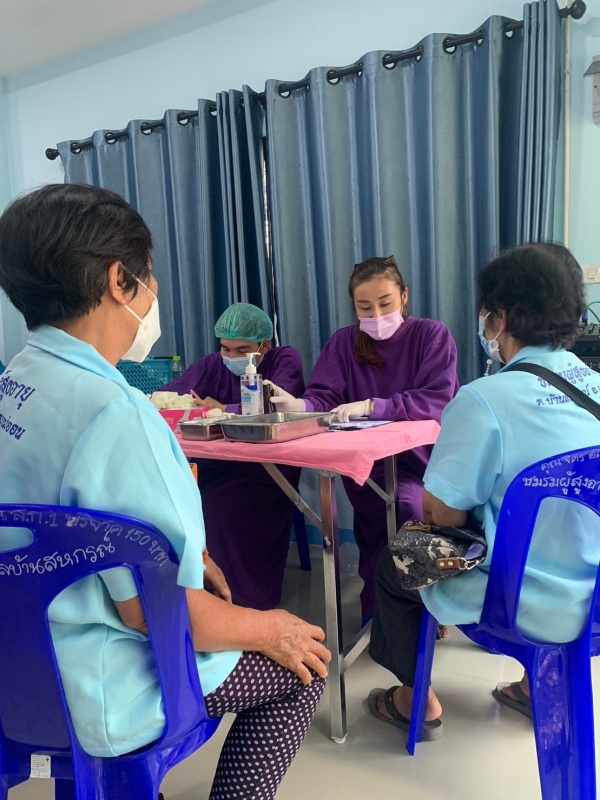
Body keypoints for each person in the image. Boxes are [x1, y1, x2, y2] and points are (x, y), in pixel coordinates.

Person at [0, 184, 330, 800]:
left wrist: (183, 554)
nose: (153, 293)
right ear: (119, 280)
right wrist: (271, 629)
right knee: (303, 665)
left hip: (14, 664)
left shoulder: (13, 385)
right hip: (96, 688)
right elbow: (156, 613)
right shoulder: (118, 415)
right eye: (148, 277)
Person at [367, 243, 600, 739]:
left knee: (397, 560)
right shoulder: (595, 388)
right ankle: (534, 688)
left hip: (518, 601)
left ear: (501, 317)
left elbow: (442, 515)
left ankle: (415, 700)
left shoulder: (482, 400)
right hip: (594, 594)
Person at [268, 255, 459, 619]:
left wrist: (374, 406)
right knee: (377, 533)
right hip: (371, 469)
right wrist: (301, 405)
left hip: (425, 466)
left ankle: (418, 617)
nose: (377, 315)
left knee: (406, 511)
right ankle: (383, 616)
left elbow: (436, 399)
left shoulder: (430, 335)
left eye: (385, 303)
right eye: (365, 308)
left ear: (404, 296)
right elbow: (324, 396)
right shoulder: (345, 343)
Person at [165, 302, 304, 610]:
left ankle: (242, 603)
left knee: (222, 507)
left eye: (242, 350)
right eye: (225, 348)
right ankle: (192, 598)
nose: (231, 357)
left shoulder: (284, 359)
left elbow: (277, 406)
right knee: (176, 499)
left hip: (266, 469)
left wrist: (223, 409)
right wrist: (177, 405)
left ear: (264, 345)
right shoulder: (212, 364)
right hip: (217, 464)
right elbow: (171, 396)